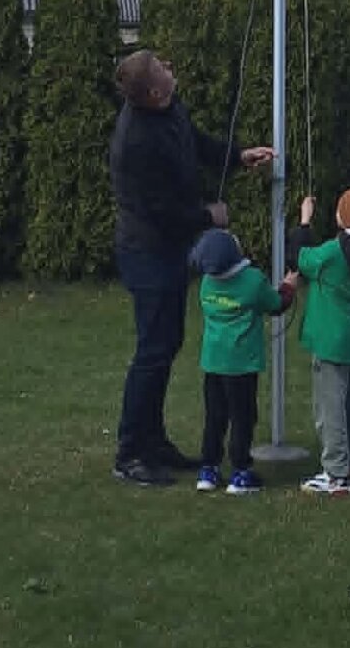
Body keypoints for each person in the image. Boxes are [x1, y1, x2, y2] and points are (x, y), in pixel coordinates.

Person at [109, 49, 273, 488]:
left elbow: (194, 143)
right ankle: (130, 453)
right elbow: (159, 211)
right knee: (153, 351)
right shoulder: (136, 142)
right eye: (161, 68)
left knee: (167, 345)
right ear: (153, 91)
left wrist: (238, 156)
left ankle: (154, 442)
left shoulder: (168, 109)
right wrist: (208, 216)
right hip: (147, 253)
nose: (170, 67)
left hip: (168, 251)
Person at [189, 226, 298, 495]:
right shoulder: (252, 280)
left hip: (213, 361)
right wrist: (289, 285)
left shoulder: (207, 284)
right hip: (242, 364)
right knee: (243, 417)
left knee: (215, 417)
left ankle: (209, 469)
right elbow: (276, 304)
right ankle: (240, 471)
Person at [292, 186, 350, 497]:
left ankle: (335, 474)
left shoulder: (333, 253)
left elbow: (300, 258)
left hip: (330, 342)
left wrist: (304, 221)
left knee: (330, 409)